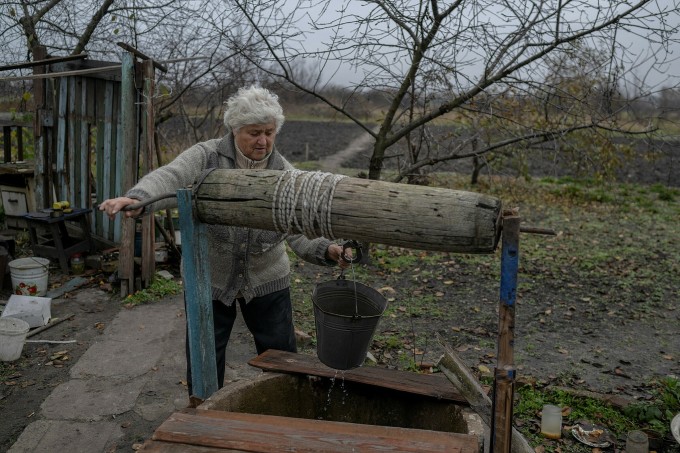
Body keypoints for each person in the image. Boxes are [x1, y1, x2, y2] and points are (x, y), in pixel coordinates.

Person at [99, 85, 349, 405]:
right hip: (210, 277)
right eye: (254, 133)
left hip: (267, 276)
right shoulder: (207, 156)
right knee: (205, 353)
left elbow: (297, 227)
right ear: (235, 130)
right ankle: (205, 412)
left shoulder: (281, 171)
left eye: (269, 133)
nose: (263, 141)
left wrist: (326, 249)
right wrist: (137, 198)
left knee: (281, 356)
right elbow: (171, 176)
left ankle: (285, 408)